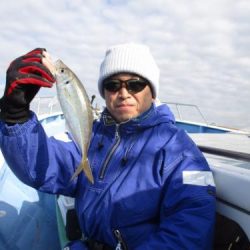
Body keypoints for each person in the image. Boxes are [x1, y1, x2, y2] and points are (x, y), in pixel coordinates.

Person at [0, 43, 216, 250]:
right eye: (113, 85)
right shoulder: (91, 136)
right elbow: (40, 167)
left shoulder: (180, 149)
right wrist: (16, 114)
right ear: (104, 93)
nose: (123, 93)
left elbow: (190, 229)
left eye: (135, 84)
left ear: (152, 90)